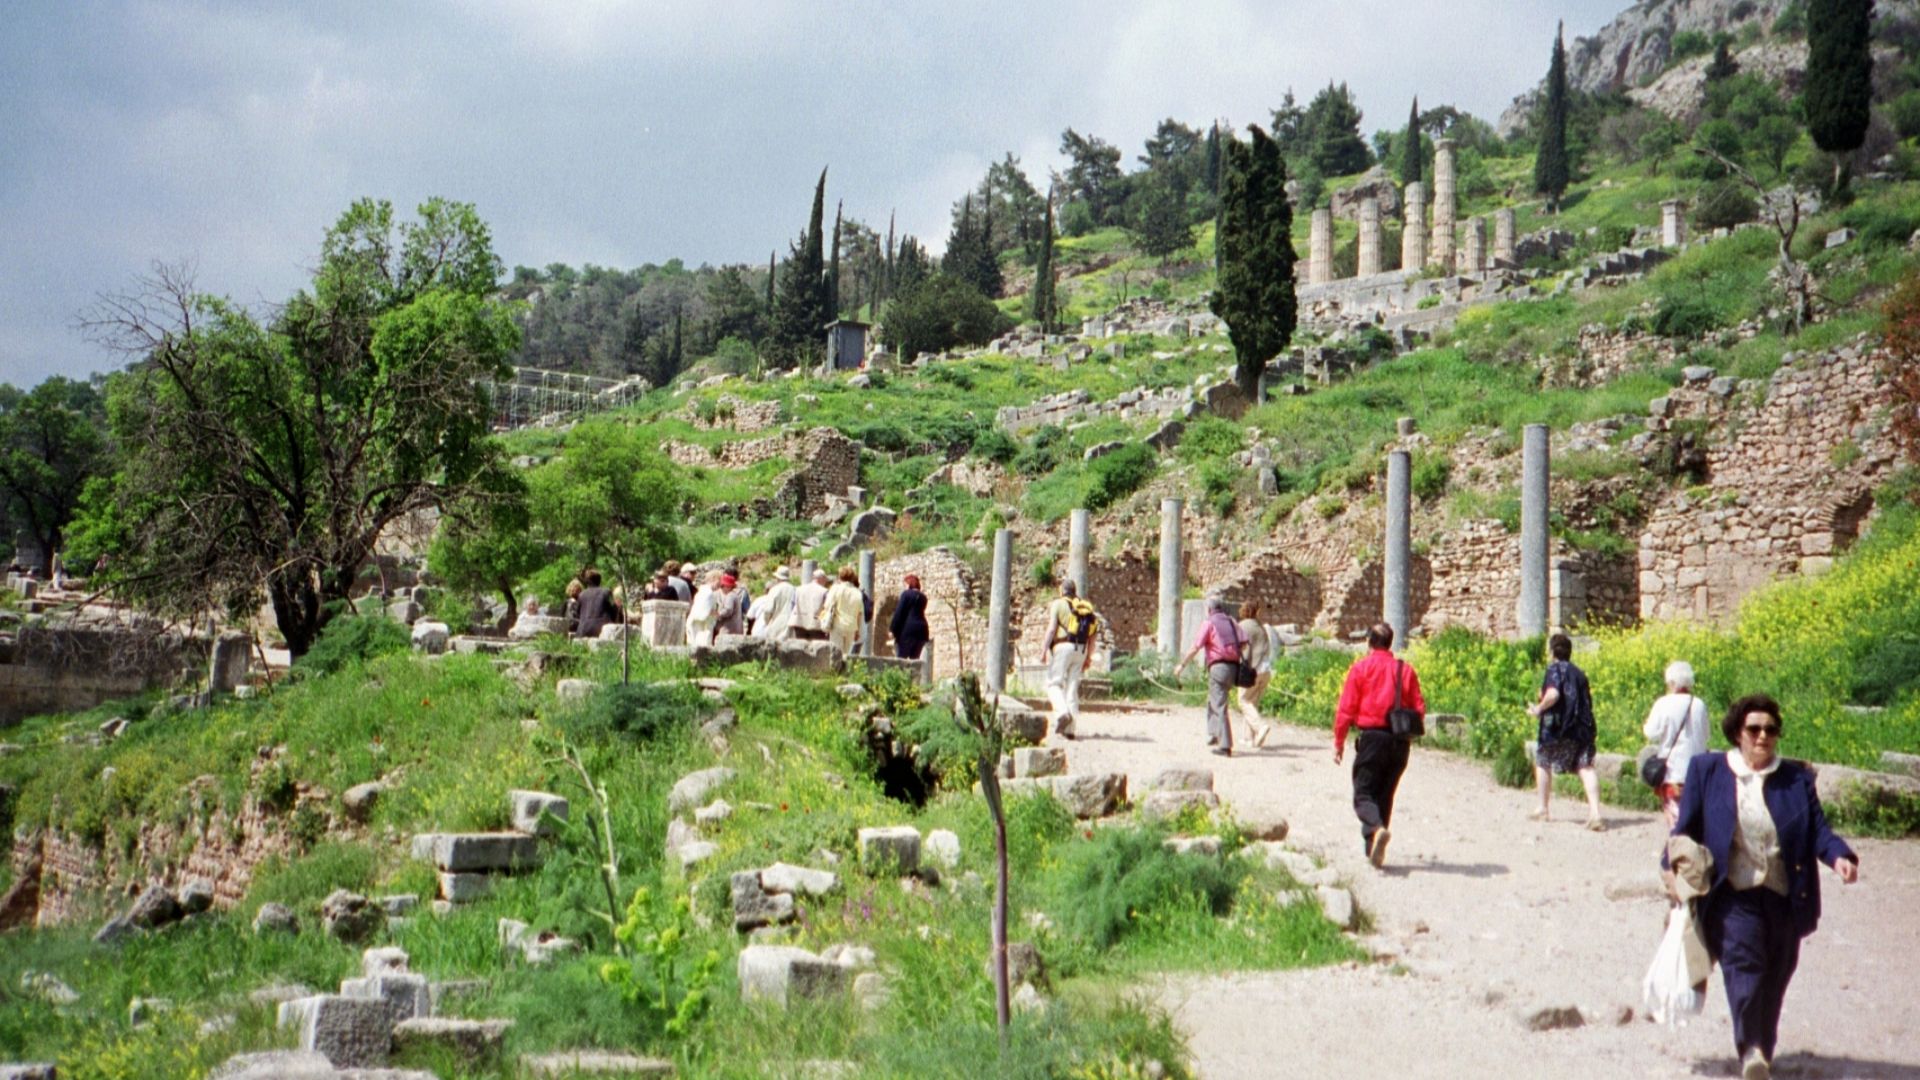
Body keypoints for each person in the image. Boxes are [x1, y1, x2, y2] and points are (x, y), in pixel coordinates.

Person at [1668, 693, 1859, 1080]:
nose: (1763, 737)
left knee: (1777, 973)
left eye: (1771, 730)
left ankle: (1762, 1050)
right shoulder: (1708, 771)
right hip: (1732, 895)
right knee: (1744, 967)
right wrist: (1670, 873)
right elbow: (1683, 829)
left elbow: (1818, 830)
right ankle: (1750, 1050)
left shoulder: (1795, 778)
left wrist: (1840, 857)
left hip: (1785, 896)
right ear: (1738, 732)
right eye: (1754, 729)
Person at [1333, 622, 1424, 868]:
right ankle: (1373, 848)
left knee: (1363, 793)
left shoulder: (1361, 668)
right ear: (1390, 643)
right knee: (1385, 794)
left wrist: (1339, 742)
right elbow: (1419, 709)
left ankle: (1375, 828)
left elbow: (1346, 708)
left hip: (1372, 738)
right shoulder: (1405, 670)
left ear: (1370, 642)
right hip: (1399, 741)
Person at [1526, 632, 1604, 830]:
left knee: (1543, 760)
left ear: (1552, 651)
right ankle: (1595, 813)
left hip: (1557, 728)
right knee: (1585, 767)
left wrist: (1538, 708)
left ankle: (1543, 808)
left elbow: (1553, 694)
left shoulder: (1554, 669)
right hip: (1582, 728)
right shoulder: (1579, 673)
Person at [1173, 597, 1245, 758]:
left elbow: (1195, 647)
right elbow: (1244, 641)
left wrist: (1182, 665)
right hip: (1234, 668)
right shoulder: (1232, 621)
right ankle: (1213, 734)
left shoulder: (1209, 623)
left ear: (1209, 610)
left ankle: (1225, 745)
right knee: (1213, 699)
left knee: (1219, 704)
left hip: (1218, 667)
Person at [1643, 660, 1711, 828]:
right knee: (1695, 815)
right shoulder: (1699, 704)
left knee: (1675, 817)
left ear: (1672, 682)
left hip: (1672, 770)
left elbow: (1651, 733)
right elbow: (1706, 734)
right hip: (1696, 769)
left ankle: (1678, 846)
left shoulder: (1663, 703)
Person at [1039, 581, 1098, 740]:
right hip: (1081, 650)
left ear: (1061, 591)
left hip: (1063, 647)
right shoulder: (1085, 608)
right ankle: (1070, 730)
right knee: (1072, 688)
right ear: (1074, 591)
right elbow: (1093, 636)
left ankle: (1062, 713)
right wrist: (1088, 658)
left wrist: (1044, 649)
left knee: (1053, 683)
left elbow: (1052, 629)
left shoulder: (1058, 604)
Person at [1235, 600, 1274, 749]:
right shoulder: (1261, 627)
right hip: (1266, 669)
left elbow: (1240, 648)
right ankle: (1248, 739)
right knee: (1252, 703)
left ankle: (1261, 727)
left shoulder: (1243, 626)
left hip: (1253, 670)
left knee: (1243, 701)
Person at [821, 566, 866, 656]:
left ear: (840, 577)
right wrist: (858, 631)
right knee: (845, 654)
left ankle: (834, 670)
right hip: (851, 627)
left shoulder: (836, 589)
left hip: (838, 625)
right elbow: (859, 614)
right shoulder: (857, 593)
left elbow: (827, 605)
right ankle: (844, 669)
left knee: (835, 653)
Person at [888, 573, 930, 660]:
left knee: (901, 659)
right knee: (914, 659)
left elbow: (899, 612)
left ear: (909, 584)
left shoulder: (906, 594)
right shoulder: (923, 598)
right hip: (922, 630)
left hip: (908, 630)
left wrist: (892, 629)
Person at [573, 569, 621, 639]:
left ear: (587, 581)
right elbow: (614, 609)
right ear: (599, 580)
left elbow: (577, 614)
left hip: (583, 631)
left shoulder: (581, 595)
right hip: (601, 631)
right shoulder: (607, 592)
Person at [754, 566, 798, 641]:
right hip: (791, 625)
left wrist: (767, 621)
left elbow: (768, 610)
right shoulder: (795, 590)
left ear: (777, 578)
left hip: (776, 624)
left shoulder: (774, 590)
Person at [686, 569, 724, 648]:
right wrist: (715, 613)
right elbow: (702, 612)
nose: (720, 584)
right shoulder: (707, 593)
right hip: (701, 626)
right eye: (719, 580)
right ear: (714, 579)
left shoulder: (703, 591)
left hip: (701, 624)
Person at [793, 569, 830, 641]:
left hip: (799, 622)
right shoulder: (824, 591)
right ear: (822, 579)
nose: (825, 582)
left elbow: (794, 604)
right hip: (816, 625)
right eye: (825, 580)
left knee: (799, 649)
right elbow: (826, 608)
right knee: (815, 650)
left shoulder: (798, 589)